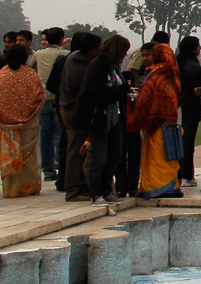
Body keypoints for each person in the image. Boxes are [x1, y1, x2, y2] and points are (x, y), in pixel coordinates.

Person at [75, 34, 132, 206]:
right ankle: (96, 192)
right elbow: (99, 94)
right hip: (99, 118)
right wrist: (122, 90)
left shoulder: (114, 67)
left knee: (115, 154)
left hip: (114, 117)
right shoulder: (97, 66)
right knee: (99, 156)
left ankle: (107, 190)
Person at [0, 44, 43, 198]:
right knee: (28, 159)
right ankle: (29, 187)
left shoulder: (2, 75)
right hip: (29, 124)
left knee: (10, 156)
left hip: (5, 126)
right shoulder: (30, 74)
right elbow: (39, 96)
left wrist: (5, 115)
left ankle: (12, 190)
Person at [130, 43, 183, 199]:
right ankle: (172, 186)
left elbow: (146, 96)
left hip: (156, 122)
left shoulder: (157, 73)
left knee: (156, 156)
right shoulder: (173, 73)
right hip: (171, 121)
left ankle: (156, 187)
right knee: (169, 155)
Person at [57, 32, 100, 201]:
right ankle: (73, 190)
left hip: (70, 108)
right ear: (91, 50)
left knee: (77, 148)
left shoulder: (74, 58)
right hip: (74, 111)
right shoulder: (79, 66)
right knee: (75, 149)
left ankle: (81, 185)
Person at [29, 28, 68, 182]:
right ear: (61, 40)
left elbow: (29, 66)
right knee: (59, 134)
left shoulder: (38, 54)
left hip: (43, 98)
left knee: (45, 135)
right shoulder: (65, 55)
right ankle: (60, 164)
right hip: (60, 98)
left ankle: (48, 169)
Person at [176, 36, 201, 189]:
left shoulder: (177, 64)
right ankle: (187, 175)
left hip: (178, 108)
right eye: (198, 46)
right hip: (191, 108)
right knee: (188, 143)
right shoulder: (193, 67)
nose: (200, 48)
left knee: (179, 142)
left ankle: (178, 174)